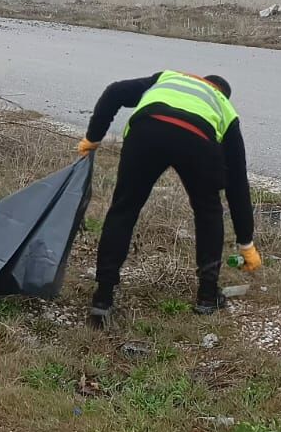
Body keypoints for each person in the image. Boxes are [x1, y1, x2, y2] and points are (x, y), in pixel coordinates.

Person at [79, 70, 261, 327]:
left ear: (201, 80)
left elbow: (115, 91)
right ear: (223, 93)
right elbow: (237, 184)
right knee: (208, 211)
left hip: (147, 129)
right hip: (197, 140)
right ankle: (207, 298)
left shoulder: (168, 77)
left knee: (124, 210)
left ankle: (102, 300)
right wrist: (246, 243)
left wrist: (93, 137)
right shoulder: (225, 109)